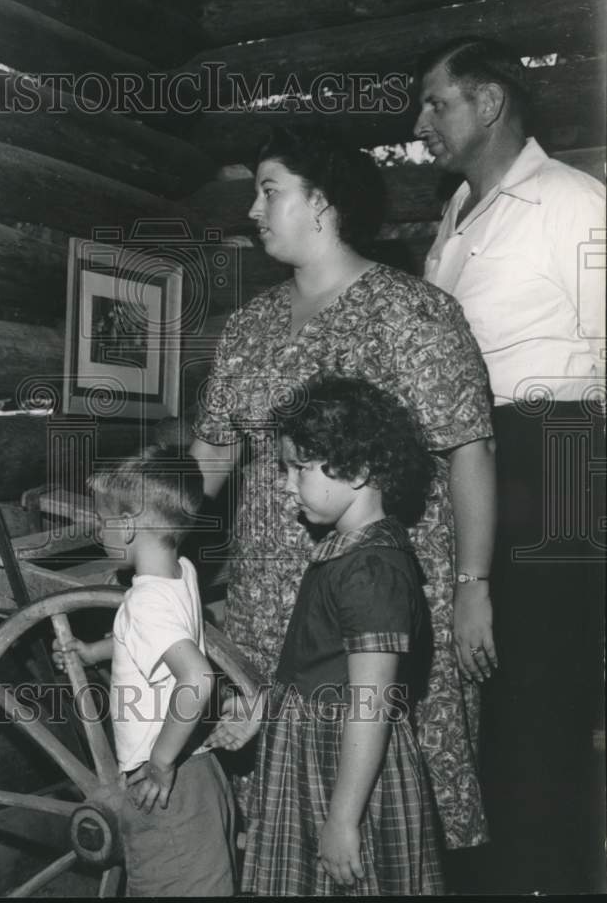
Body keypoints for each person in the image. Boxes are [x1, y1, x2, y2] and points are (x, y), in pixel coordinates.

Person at [189, 123, 496, 853]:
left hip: (376, 598)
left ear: (321, 200)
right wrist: (146, 526)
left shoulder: (413, 314)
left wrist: (472, 586)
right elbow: (211, 453)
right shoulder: (249, 327)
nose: (254, 210)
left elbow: (470, 450)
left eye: (269, 191)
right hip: (267, 601)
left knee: (380, 809)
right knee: (282, 807)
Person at [415, 36, 606, 893]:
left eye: (436, 103)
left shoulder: (572, 202)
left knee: (542, 687)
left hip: (557, 453)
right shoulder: (455, 215)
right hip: (471, 459)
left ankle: (551, 878)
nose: (420, 123)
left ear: (487, 103)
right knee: (474, 685)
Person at [207, 375, 444, 895]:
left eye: (300, 468)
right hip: (313, 753)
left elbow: (371, 704)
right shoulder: (345, 553)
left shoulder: (371, 571)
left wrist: (342, 820)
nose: (286, 484)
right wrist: (264, 710)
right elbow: (314, 664)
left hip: (344, 771)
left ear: (358, 470)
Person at [53, 445, 235, 896]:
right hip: (201, 770)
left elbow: (198, 678)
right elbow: (152, 640)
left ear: (129, 525)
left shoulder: (143, 602)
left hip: (164, 786)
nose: (101, 532)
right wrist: (95, 652)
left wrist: (159, 762)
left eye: (103, 522)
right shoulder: (181, 572)